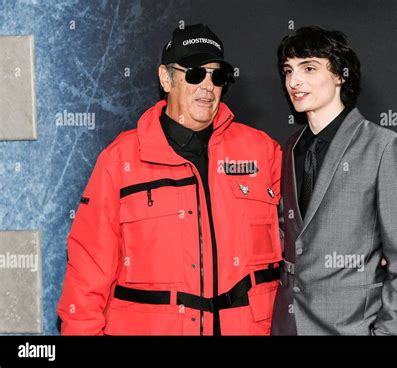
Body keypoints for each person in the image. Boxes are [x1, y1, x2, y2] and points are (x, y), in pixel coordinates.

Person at [58, 24, 282, 335]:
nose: (207, 86)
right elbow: (88, 270)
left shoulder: (263, 153)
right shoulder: (120, 160)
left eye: (216, 76)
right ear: (166, 78)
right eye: (194, 74)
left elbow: (304, 247)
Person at [271, 26, 397, 335]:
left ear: (340, 75)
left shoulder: (383, 146)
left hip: (353, 326)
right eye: (288, 70)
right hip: (288, 325)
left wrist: (387, 333)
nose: (294, 81)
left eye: (309, 68)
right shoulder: (289, 148)